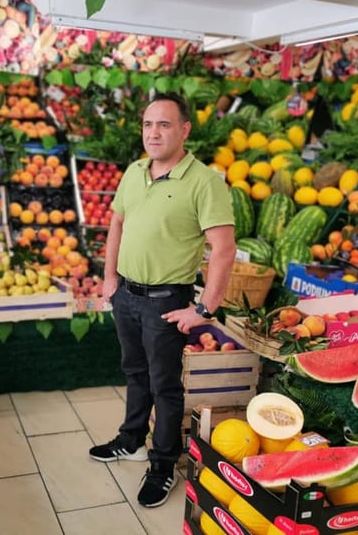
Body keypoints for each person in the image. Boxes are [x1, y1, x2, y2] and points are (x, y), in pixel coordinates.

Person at [88, 92, 236, 508]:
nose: (153, 133)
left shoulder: (205, 182)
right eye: (148, 124)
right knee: (135, 372)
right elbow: (117, 223)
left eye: (164, 124)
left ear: (184, 130)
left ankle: (163, 465)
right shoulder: (134, 171)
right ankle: (132, 439)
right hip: (126, 294)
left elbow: (224, 249)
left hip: (166, 301)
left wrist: (204, 309)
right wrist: (109, 278)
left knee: (165, 386)